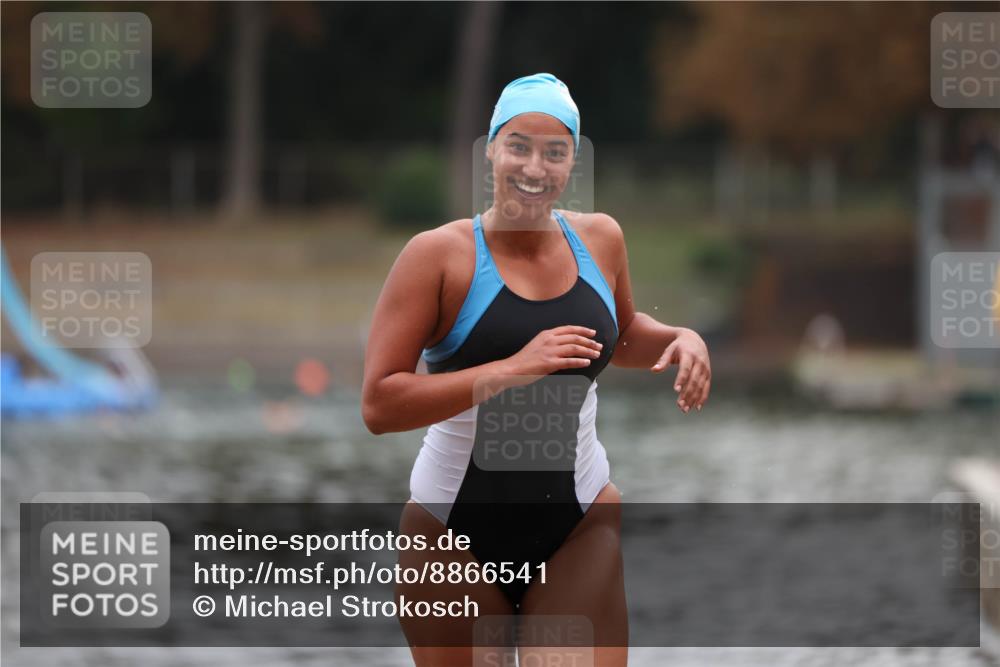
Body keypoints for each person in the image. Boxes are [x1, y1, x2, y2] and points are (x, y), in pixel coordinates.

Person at [362, 73, 711, 667]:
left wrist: (682, 338)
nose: (534, 167)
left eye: (555, 152)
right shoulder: (438, 256)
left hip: (579, 523)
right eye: (518, 146)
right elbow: (379, 405)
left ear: (573, 161)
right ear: (491, 149)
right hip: (451, 533)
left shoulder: (601, 239)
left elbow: (622, 335)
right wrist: (510, 370)